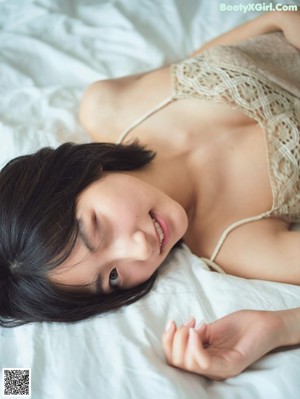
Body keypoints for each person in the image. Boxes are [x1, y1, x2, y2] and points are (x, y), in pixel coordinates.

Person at [0, 10, 299, 380]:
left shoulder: (107, 104)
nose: (141, 250)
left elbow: (198, 61)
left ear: (77, 175)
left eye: (99, 229)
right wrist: (279, 328)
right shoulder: (237, 241)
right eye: (112, 277)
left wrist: (280, 19)